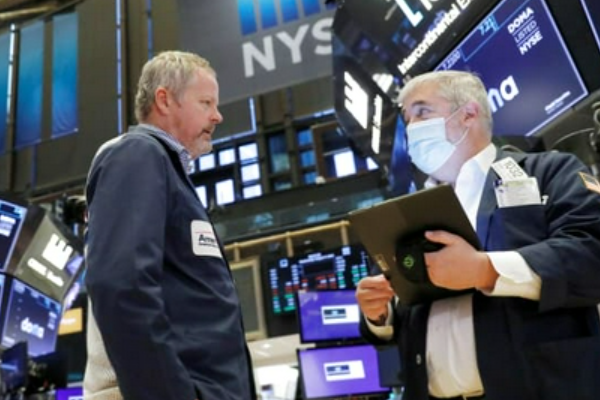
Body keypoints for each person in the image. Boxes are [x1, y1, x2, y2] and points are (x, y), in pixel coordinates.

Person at [356, 70, 600, 400]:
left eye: (422, 111)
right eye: (407, 118)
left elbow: (591, 252)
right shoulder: (407, 214)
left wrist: (486, 270)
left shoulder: (549, 172)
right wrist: (378, 313)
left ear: (468, 114)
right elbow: (395, 317)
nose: (411, 127)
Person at [83, 51, 256, 400]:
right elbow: (121, 285)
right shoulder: (137, 154)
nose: (218, 115)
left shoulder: (167, 171)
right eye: (206, 102)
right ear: (164, 100)